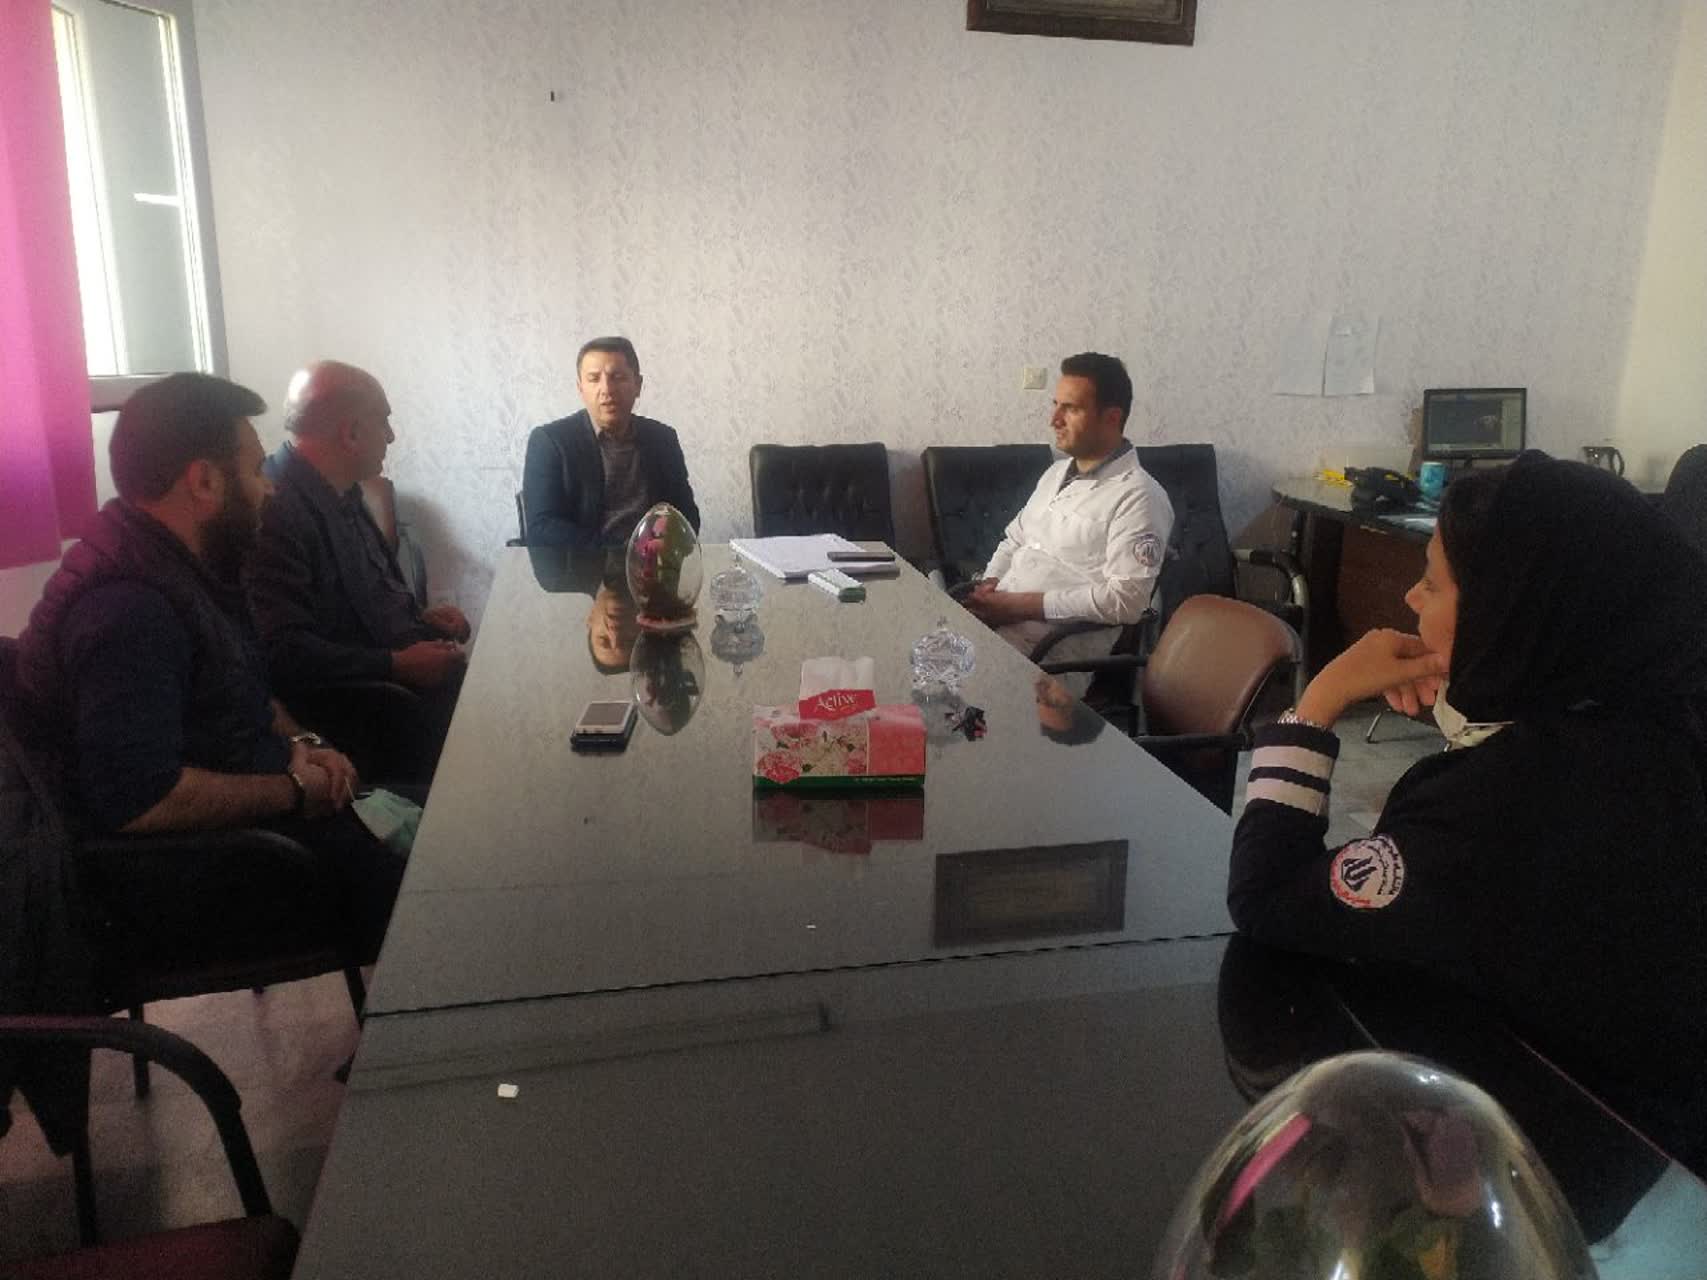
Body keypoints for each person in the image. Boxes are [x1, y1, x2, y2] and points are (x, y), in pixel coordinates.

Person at [1228, 452, 1707, 1168]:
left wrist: (1317, 701)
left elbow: (1266, 898)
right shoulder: (1661, 731)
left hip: (1539, 1162)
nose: (1409, 599)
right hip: (1649, 1155)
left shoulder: (1497, 802)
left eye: (1431, 583)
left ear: (1510, 612)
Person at [14, 372, 405, 965]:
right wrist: (293, 789)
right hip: (213, 869)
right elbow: (139, 800)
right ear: (204, 481)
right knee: (439, 879)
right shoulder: (127, 612)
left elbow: (244, 684)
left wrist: (306, 743)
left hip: (259, 824)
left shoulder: (189, 565)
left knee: (437, 821)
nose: (270, 488)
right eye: (256, 470)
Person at [244, 361, 466, 779]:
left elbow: (360, 596)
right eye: (384, 421)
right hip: (369, 706)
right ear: (351, 433)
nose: (392, 436)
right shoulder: (275, 508)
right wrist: (396, 664)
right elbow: (284, 652)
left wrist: (420, 618)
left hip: (398, 674)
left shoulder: (342, 488)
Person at [962, 353, 1173, 681]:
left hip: (1049, 654)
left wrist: (1017, 606)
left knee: (937, 690)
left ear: (1112, 418)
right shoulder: (1055, 473)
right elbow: (1015, 539)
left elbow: (1127, 601)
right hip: (996, 625)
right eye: (1055, 405)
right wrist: (988, 588)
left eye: (1071, 408)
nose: (1054, 419)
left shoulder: (1139, 496)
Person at [522, 337, 699, 548]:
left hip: (651, 563)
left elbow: (687, 516)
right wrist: (621, 552)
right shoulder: (549, 442)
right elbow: (541, 528)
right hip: (583, 565)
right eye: (594, 379)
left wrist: (659, 546)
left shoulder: (662, 438)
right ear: (580, 388)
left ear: (638, 385)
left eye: (618, 377)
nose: (606, 389)